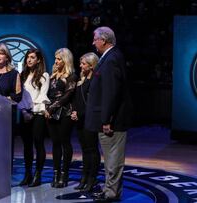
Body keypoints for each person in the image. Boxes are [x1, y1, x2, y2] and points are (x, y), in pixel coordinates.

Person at [85, 26, 130, 202]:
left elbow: (112, 92)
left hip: (112, 120)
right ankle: (109, 189)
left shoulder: (111, 59)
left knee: (113, 158)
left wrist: (107, 119)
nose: (93, 42)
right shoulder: (109, 57)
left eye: (95, 39)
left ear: (103, 40)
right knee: (110, 157)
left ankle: (112, 192)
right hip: (107, 118)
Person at [17, 49, 50, 187]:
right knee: (27, 146)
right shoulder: (22, 75)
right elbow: (19, 96)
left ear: (38, 60)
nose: (29, 60)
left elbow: (42, 96)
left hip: (37, 114)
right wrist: (24, 111)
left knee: (38, 143)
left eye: (32, 57)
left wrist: (32, 111)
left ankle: (38, 175)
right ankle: (27, 174)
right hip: (24, 114)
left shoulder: (44, 75)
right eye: (27, 57)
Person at [45, 48, 77, 188]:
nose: (56, 61)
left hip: (65, 113)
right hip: (51, 113)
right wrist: (47, 108)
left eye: (59, 59)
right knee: (55, 143)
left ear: (65, 60)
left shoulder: (72, 76)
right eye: (55, 58)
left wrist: (52, 108)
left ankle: (64, 174)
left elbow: (67, 95)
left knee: (65, 142)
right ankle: (56, 173)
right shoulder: (52, 75)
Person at [71, 52, 101, 192]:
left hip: (91, 119)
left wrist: (81, 113)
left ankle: (92, 178)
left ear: (91, 65)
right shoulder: (80, 80)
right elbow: (77, 100)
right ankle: (84, 176)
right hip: (80, 120)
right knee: (84, 150)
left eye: (83, 64)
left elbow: (93, 103)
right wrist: (75, 111)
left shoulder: (95, 80)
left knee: (92, 150)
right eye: (81, 63)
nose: (80, 66)